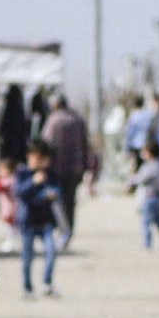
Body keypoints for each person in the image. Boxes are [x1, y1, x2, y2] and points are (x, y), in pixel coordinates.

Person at [40, 93, 93, 246]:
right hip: (75, 168)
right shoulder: (78, 120)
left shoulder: (53, 120)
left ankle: (64, 230)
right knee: (70, 201)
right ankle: (69, 230)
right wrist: (86, 166)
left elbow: (45, 143)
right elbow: (86, 144)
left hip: (57, 167)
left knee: (58, 201)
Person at [16, 139, 65, 297]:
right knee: (27, 257)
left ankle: (47, 283)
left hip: (46, 221)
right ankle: (27, 287)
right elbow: (20, 193)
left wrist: (51, 193)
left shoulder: (49, 173)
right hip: (27, 221)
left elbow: (56, 191)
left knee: (51, 251)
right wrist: (34, 182)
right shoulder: (22, 173)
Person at [130, 139, 159, 250]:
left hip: (150, 198)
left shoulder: (150, 166)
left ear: (150, 153)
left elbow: (142, 179)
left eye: (144, 152)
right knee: (158, 221)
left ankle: (147, 243)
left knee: (146, 222)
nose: (142, 154)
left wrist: (131, 179)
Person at [121, 92, 156, 173]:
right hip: (148, 144)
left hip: (136, 145)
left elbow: (129, 134)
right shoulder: (149, 114)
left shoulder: (133, 117)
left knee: (138, 167)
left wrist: (127, 148)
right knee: (148, 165)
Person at [0, 85, 32, 164]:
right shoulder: (20, 110)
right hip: (18, 146)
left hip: (9, 146)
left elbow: (2, 129)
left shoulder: (8, 110)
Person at [0, 155, 20, 254]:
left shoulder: (11, 180)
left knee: (11, 226)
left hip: (12, 208)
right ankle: (13, 241)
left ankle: (11, 242)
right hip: (7, 206)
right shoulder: (11, 180)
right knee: (10, 226)